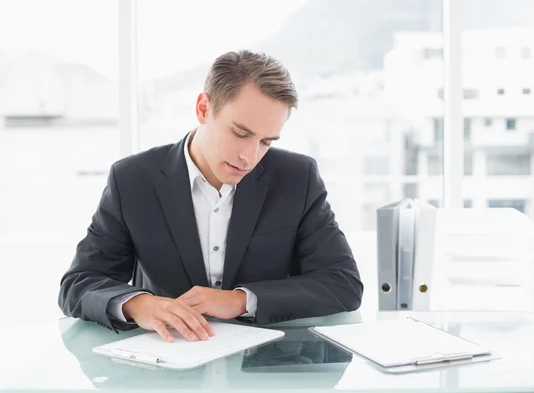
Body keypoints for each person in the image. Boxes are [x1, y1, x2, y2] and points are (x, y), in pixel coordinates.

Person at [58, 49, 363, 343]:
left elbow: (343, 283)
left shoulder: (298, 177)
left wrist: (240, 301)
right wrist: (138, 305)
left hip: (265, 364)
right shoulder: (133, 179)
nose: (249, 157)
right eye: (240, 134)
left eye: (266, 142)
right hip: (168, 358)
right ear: (203, 109)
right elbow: (78, 283)